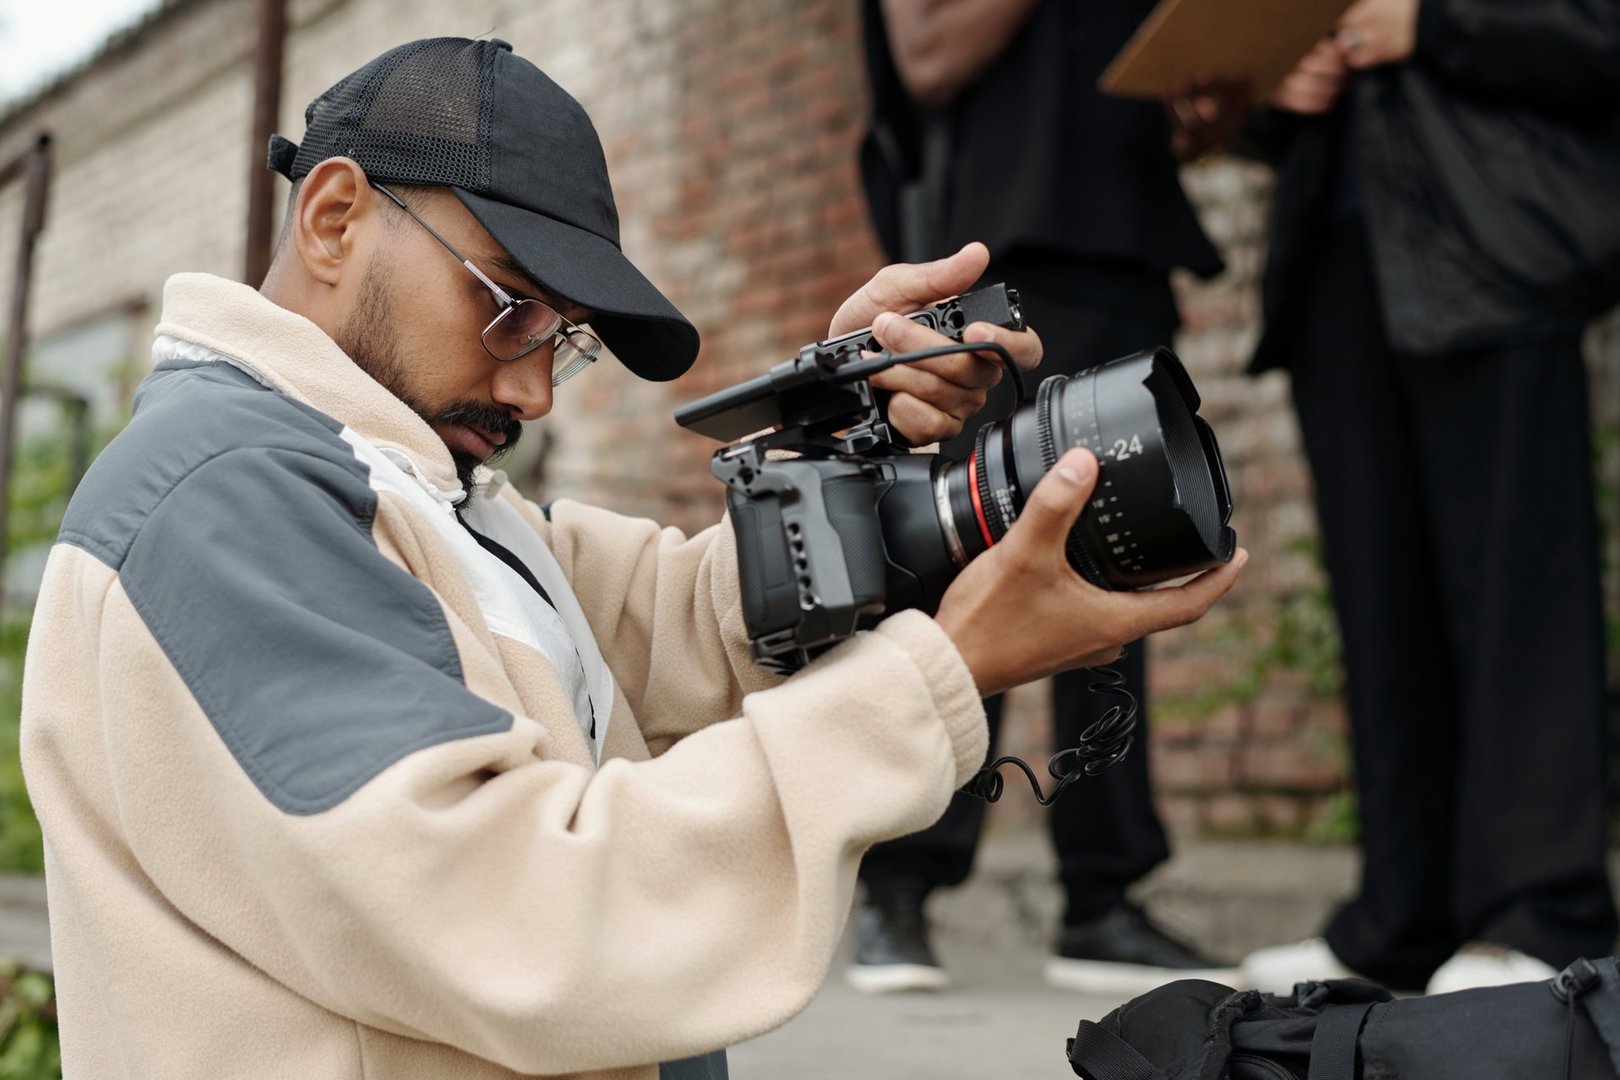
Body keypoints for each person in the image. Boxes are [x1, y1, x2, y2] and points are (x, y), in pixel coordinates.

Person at [18, 37, 1245, 1079]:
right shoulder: (225, 499)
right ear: (333, 217)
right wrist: (947, 667)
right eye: (508, 308)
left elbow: (682, 621)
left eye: (569, 341)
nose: (535, 389)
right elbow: (523, 921)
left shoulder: (428, 491)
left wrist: (851, 445)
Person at [1170, 0, 1620, 995]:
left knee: (1520, 593)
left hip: (1490, 256)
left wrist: (1435, 26)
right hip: (1341, 267)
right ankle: (1401, 918)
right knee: (1381, 605)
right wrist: (1269, 97)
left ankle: (1544, 911)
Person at [845, 0, 1241, 997]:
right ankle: (900, 881)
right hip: (996, 263)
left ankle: (1101, 898)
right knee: (966, 554)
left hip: (1124, 248)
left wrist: (1199, 107)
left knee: (1128, 552)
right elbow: (925, 57)